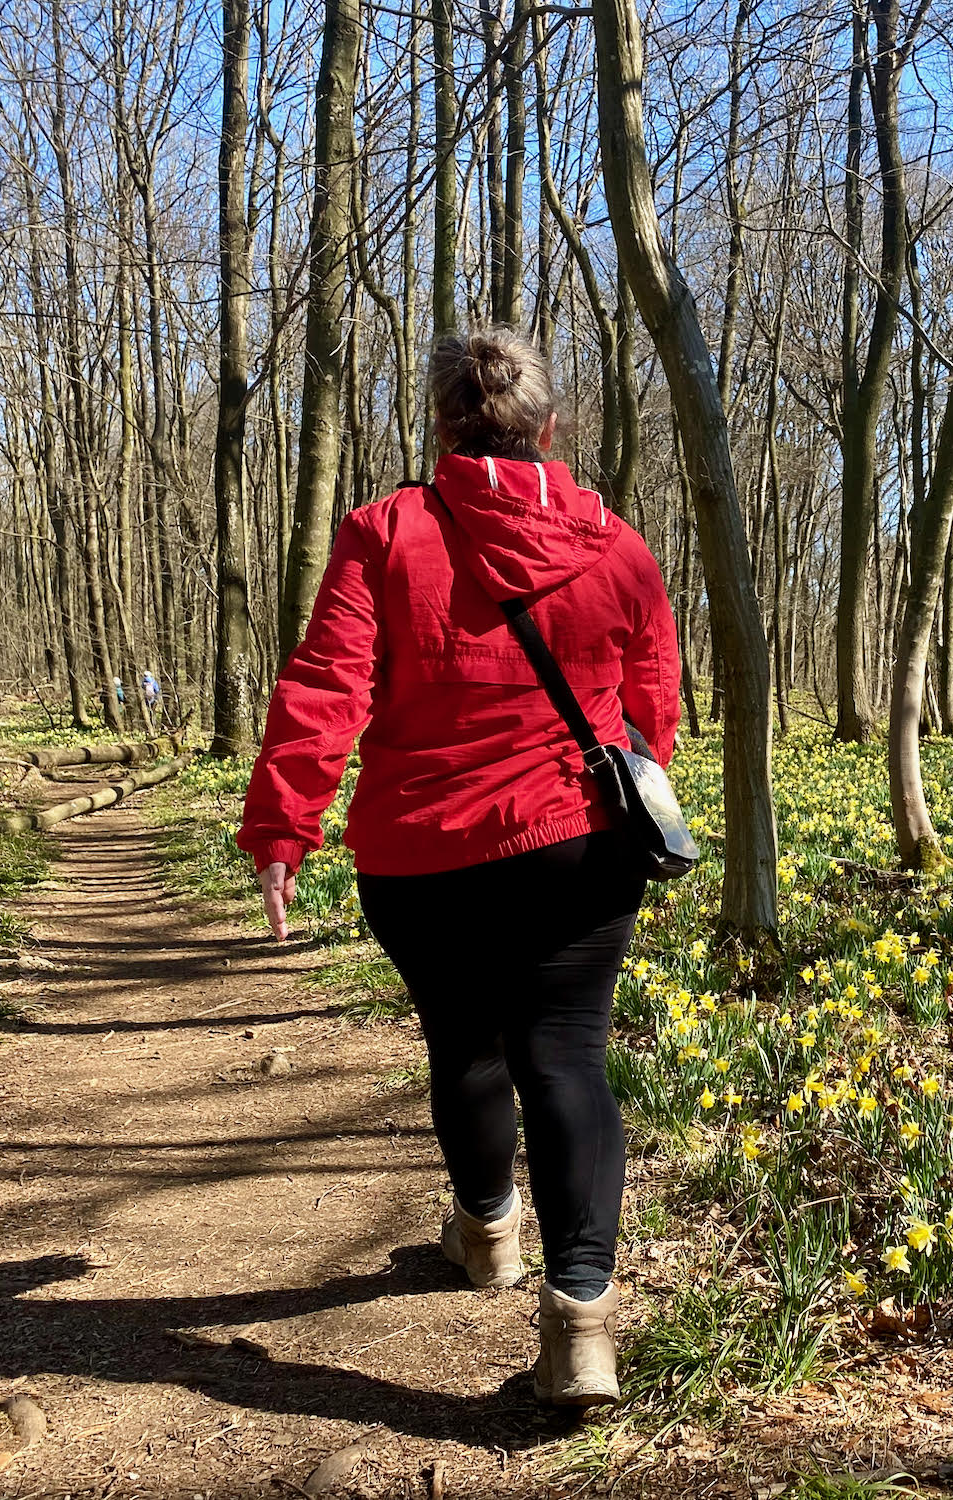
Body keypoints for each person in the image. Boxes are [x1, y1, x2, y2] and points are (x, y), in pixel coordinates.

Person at [236, 328, 679, 1408]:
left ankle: (486, 1234)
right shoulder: (616, 546)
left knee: (464, 1044)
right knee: (565, 1060)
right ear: (549, 425)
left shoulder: (382, 533)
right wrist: (637, 777)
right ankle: (578, 1328)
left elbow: (325, 685)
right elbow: (653, 697)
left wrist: (283, 826)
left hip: (420, 854)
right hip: (573, 844)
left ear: (440, 425)